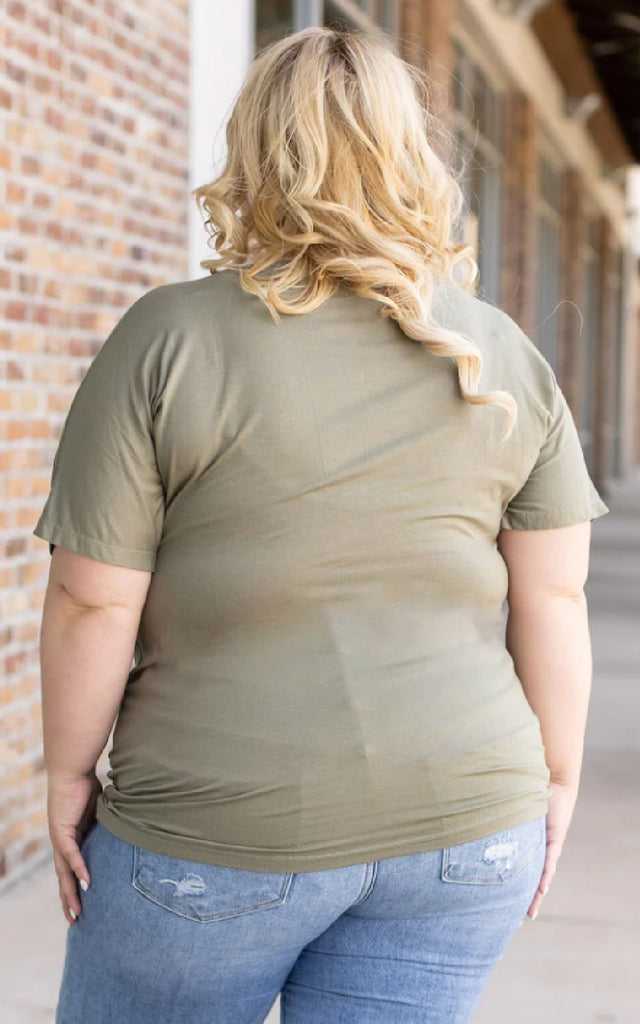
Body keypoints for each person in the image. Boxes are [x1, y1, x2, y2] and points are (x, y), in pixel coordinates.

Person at [34, 25, 609, 1024]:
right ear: (411, 157)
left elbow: (92, 600)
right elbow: (554, 596)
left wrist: (69, 774)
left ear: (253, 155)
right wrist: (554, 780)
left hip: (212, 833)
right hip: (468, 829)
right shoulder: (500, 352)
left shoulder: (167, 340)